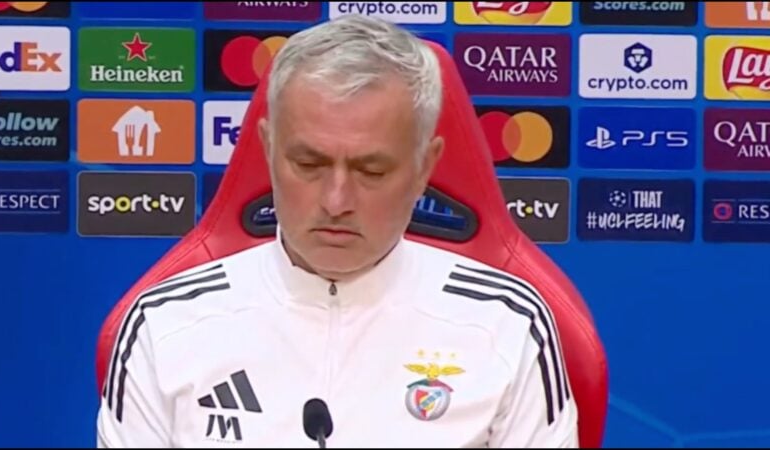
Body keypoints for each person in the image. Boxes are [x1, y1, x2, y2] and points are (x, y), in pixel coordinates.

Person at [96, 14, 579, 448]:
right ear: (268, 148)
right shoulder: (165, 324)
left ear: (423, 167)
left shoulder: (507, 325)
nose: (336, 201)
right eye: (309, 164)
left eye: (371, 171)